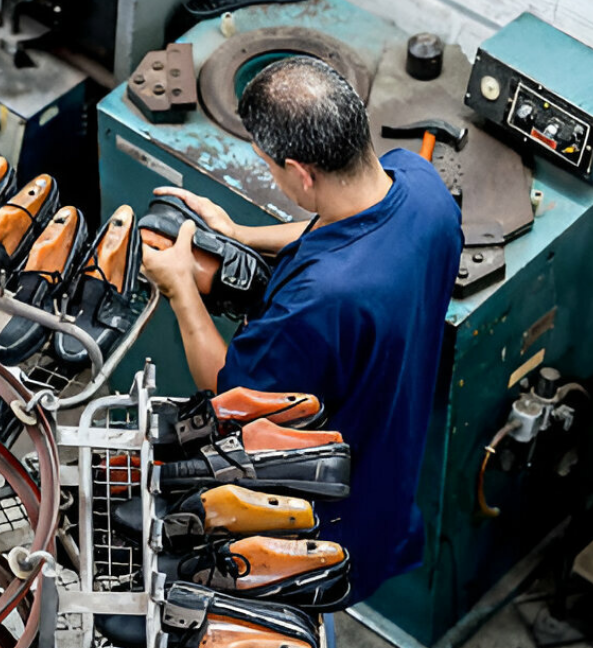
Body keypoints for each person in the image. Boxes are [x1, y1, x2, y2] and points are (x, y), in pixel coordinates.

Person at [140, 56, 464, 603]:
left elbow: (228, 394)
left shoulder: (316, 304)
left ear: (302, 172)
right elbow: (342, 227)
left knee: (296, 610)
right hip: (391, 468)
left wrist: (181, 289)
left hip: (320, 511)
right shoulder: (421, 184)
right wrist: (239, 231)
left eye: (270, 166)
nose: (272, 175)